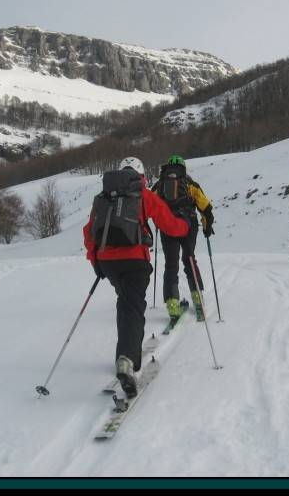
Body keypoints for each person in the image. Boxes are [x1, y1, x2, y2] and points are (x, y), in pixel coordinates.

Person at [83, 156, 189, 397]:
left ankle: (127, 352)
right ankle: (127, 360)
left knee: (125, 302)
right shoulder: (143, 195)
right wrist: (185, 225)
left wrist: (95, 262)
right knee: (133, 308)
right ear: (141, 175)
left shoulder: (103, 197)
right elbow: (169, 224)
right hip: (134, 261)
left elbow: (90, 233)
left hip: (107, 263)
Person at [150, 154, 214, 322]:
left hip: (167, 227)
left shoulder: (159, 185)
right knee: (189, 260)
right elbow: (205, 207)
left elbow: (149, 205)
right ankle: (198, 301)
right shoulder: (190, 183)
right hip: (188, 226)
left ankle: (172, 305)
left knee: (171, 264)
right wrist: (207, 226)